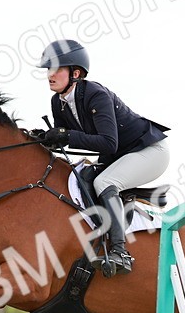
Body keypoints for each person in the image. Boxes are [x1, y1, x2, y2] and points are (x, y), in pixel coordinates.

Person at [36, 39, 170, 277]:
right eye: (48, 69)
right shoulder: (58, 102)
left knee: (104, 183)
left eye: (56, 69)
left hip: (149, 151)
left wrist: (67, 135)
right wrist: (44, 139)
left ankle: (121, 252)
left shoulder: (96, 95)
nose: (50, 75)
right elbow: (65, 139)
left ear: (75, 73)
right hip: (120, 155)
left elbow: (108, 142)